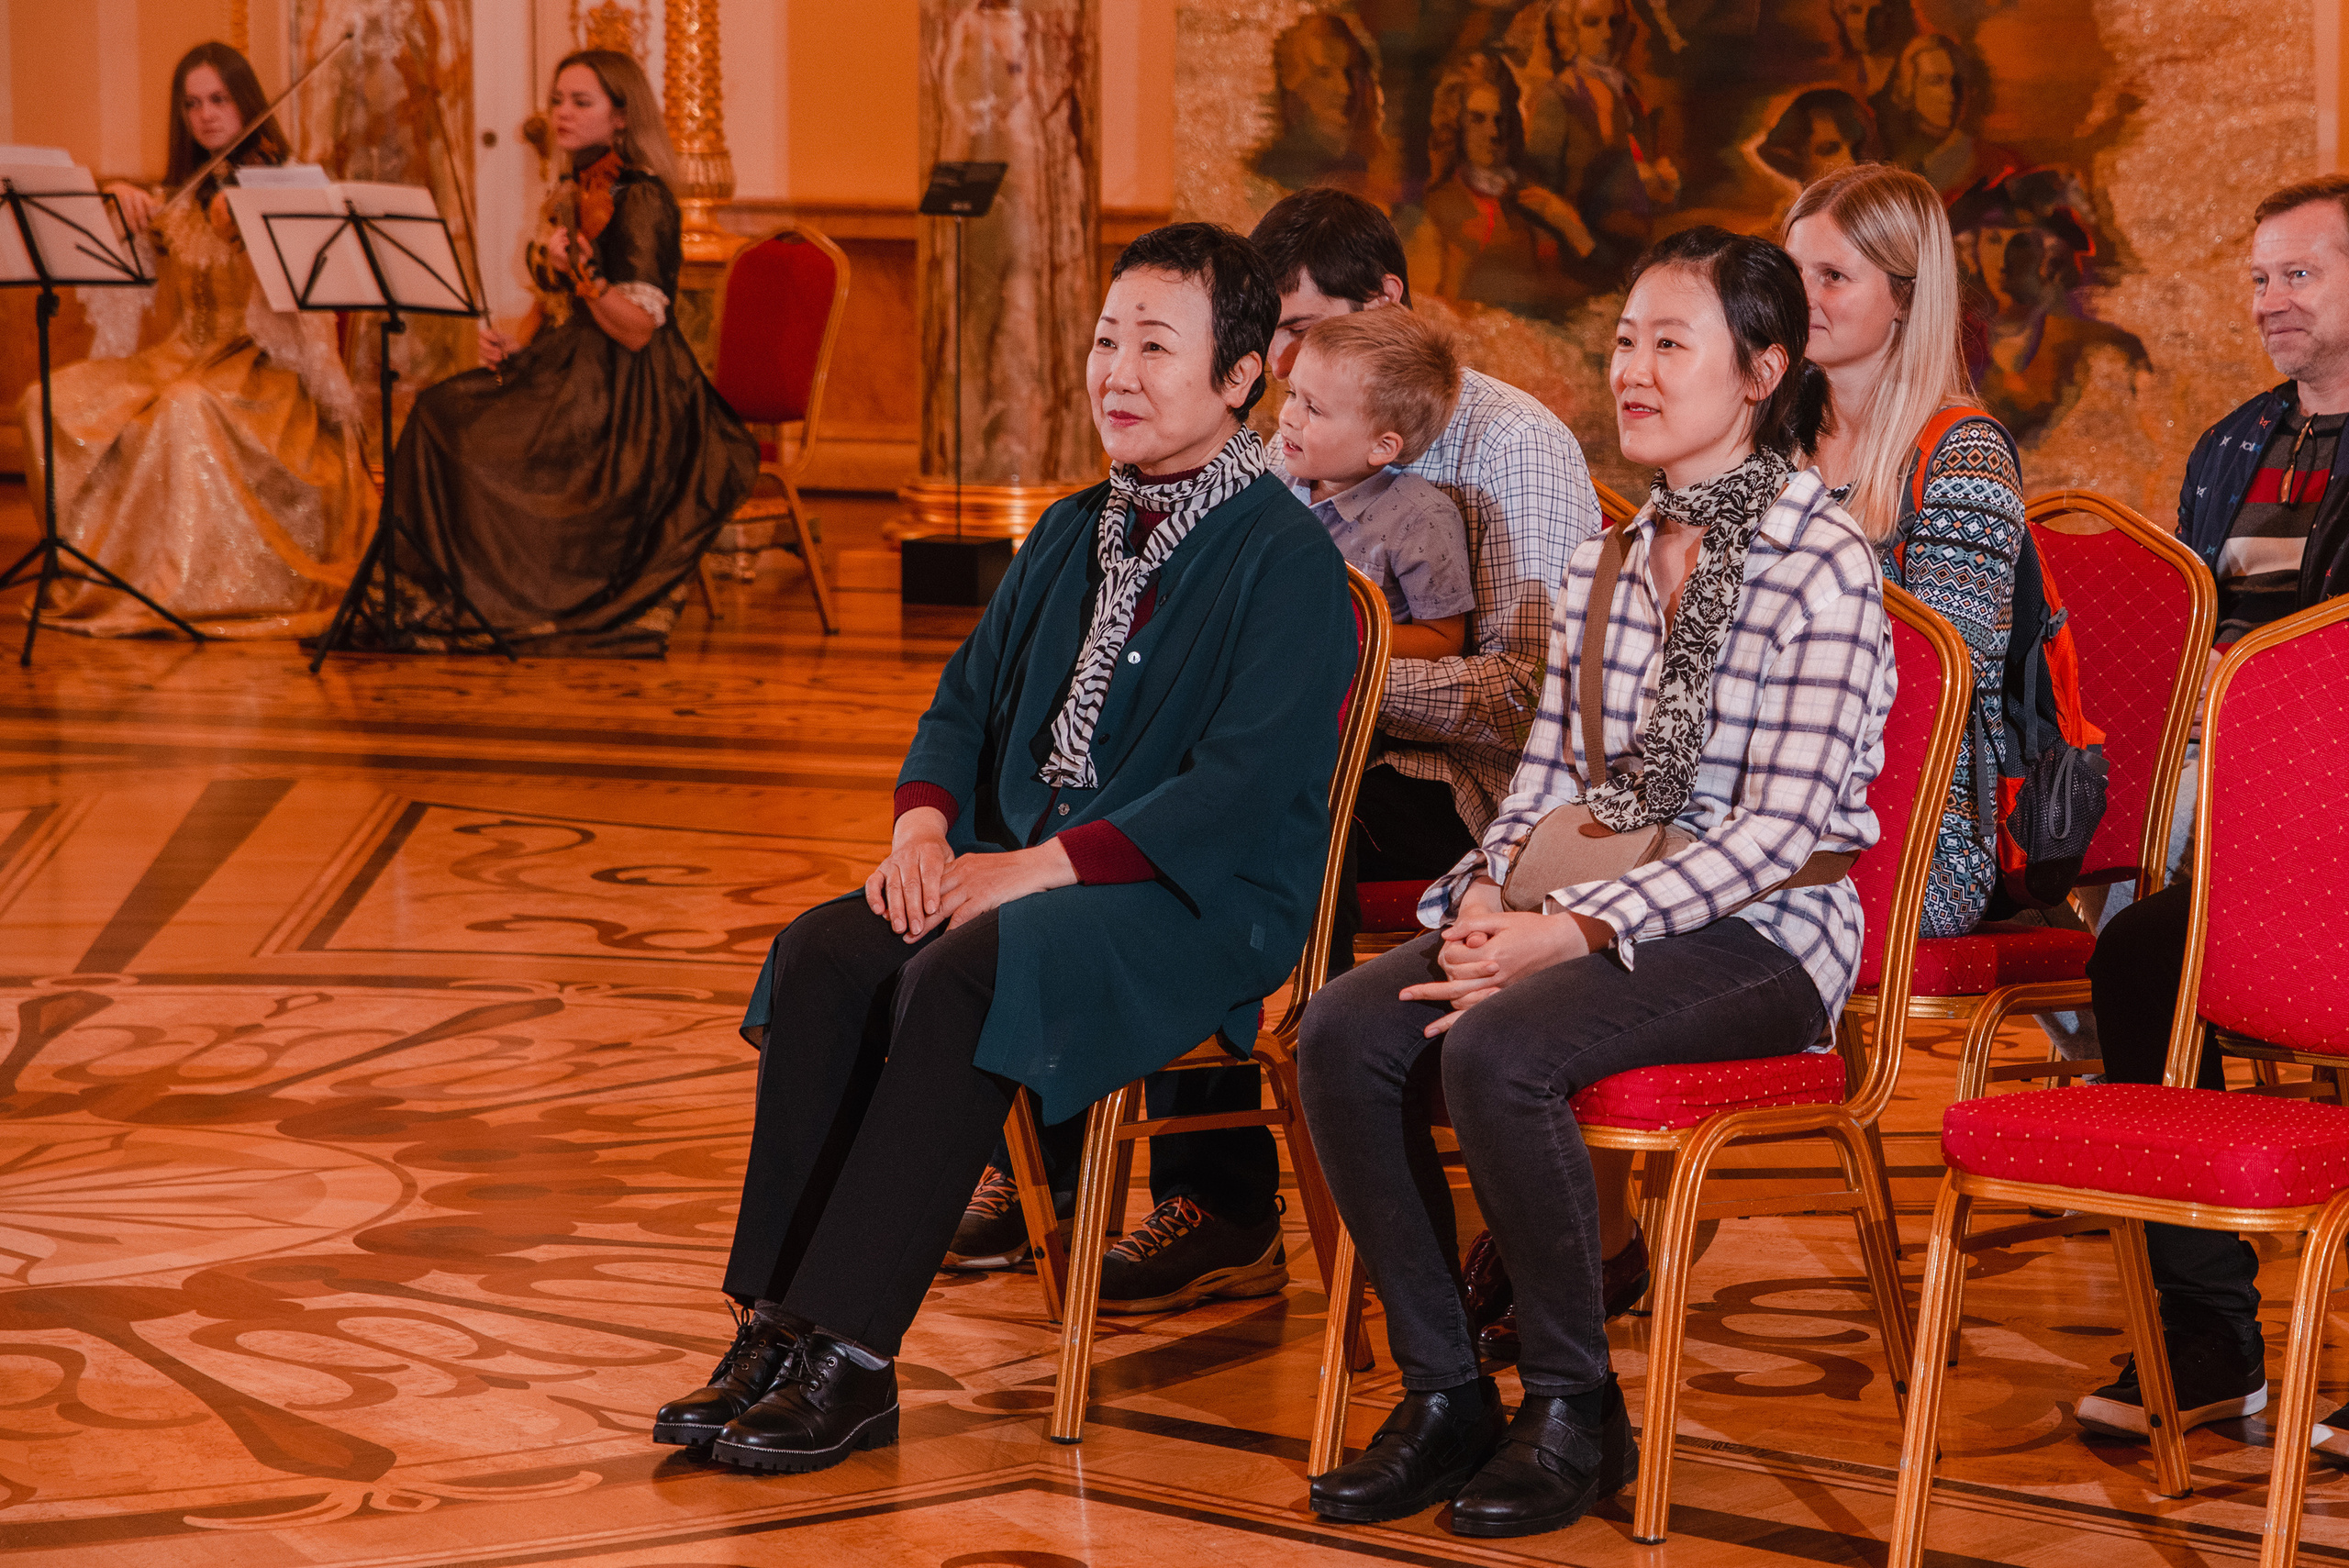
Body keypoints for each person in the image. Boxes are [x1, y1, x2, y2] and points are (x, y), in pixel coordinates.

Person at [650, 222, 1354, 1474]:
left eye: (1155, 347)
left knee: (960, 974)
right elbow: (964, 703)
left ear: (1242, 375)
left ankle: (852, 1356)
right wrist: (923, 828)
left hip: (1191, 903)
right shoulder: (1072, 526)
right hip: (1022, 872)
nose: (1116, 373)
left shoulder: (1287, 558)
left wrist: (1027, 870)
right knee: (824, 953)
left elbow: (1237, 795)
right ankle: (773, 1324)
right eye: (1106, 340)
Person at [1297, 227, 1891, 1538]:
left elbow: (1782, 827)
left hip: (1764, 933)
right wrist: (1483, 896)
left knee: (1499, 1048)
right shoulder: (1608, 558)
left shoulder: (1823, 563)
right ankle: (1445, 1390)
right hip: (1587, 900)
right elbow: (1545, 780)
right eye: (1625, 340)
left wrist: (1572, 929)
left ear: (1762, 371)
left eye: (1669, 343)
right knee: (1341, 1030)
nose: (1632, 369)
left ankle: (1574, 1406)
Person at [941, 187, 1601, 1318]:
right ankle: (1044, 1144)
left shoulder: (1509, 441)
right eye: (1264, 342)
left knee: (1253, 821)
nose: (1276, 369)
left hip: (1466, 788)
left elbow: (1523, 696)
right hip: (1327, 747)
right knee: (1102, 787)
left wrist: (1308, 681)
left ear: (1383, 303)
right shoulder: (1281, 436)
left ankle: (1221, 1196)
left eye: (1296, 331)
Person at [2064, 174, 2349, 1452]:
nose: (2269, 300)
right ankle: (2207, 1334)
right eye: (2258, 278)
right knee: (2137, 955)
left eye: (2300, 274)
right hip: (2240, 815)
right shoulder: (2234, 444)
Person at [358, 50, 754, 657]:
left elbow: (638, 330)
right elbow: (552, 301)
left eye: (580, 101)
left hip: (626, 397)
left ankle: (503, 599)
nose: (562, 112)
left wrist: (586, 277)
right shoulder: (574, 188)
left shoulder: (643, 200)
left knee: (462, 431)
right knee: (439, 412)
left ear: (621, 117)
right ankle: (449, 594)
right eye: (557, 100)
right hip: (569, 366)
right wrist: (518, 338)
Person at [17, 41, 371, 639]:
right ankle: (101, 573)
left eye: (220, 100)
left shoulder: (285, 188)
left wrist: (254, 221)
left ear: (247, 103)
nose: (206, 115)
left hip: (263, 369)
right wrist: (119, 202)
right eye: (192, 104)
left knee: (185, 408)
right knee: (47, 400)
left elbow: (304, 307)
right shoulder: (182, 197)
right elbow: (128, 268)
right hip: (182, 357)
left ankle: (189, 587)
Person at [1786, 162, 2023, 938]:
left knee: (1661, 904)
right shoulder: (1773, 445)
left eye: (1832, 276)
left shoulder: (1964, 454)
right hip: (1771, 797)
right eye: (1793, 273)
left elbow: (1939, 686)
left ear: (1906, 297)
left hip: (1918, 828)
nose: (1801, 298)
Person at [1277, 306, 1475, 660]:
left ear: (1382, 447)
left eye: (1314, 409)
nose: (1288, 417)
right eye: (1292, 394)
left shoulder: (1421, 520)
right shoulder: (1277, 480)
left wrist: (1334, 636)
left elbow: (1443, 639)